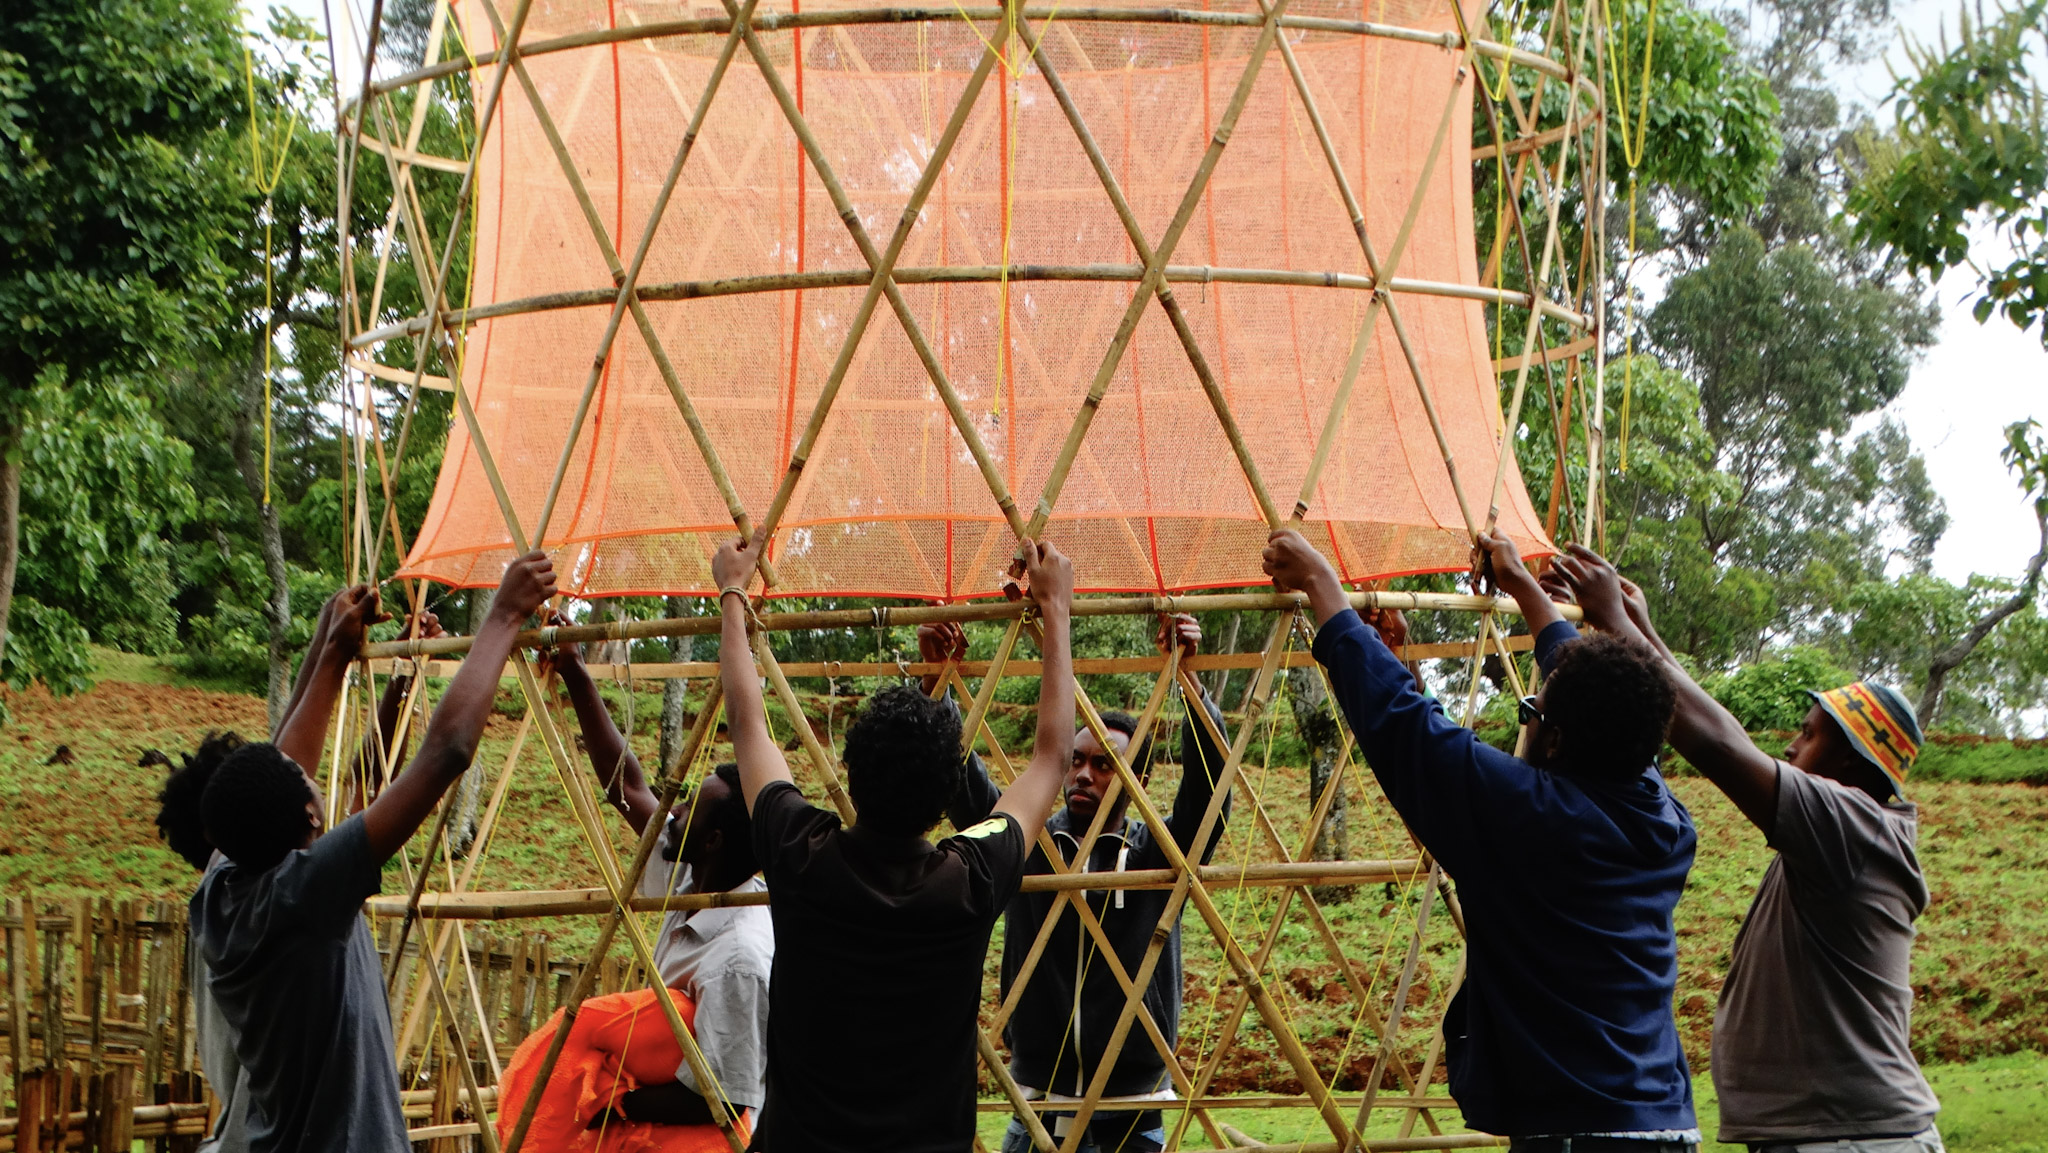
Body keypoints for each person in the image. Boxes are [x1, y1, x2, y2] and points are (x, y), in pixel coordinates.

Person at [1261, 528, 1700, 1151]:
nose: (1531, 721)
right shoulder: (1661, 813)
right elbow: (1591, 689)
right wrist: (1522, 585)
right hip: (1664, 1123)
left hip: (1580, 1131)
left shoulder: (1536, 816)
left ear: (1557, 738)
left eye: (1533, 713)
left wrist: (1320, 584)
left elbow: (1402, 722)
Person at [1544, 545, 1942, 1153]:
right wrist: (1640, 628)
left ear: (1849, 765)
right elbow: (1719, 725)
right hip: (1834, 1136)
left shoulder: (1852, 826)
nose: (1790, 748)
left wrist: (1617, 628)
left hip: (1853, 1140)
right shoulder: (1842, 834)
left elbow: (1722, 746)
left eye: (1808, 735)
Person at [713, 532, 1075, 1153]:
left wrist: (732, 593)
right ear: (944, 803)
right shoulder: (969, 879)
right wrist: (1056, 609)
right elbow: (1051, 759)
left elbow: (748, 726)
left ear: (849, 776)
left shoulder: (802, 852)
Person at [191, 551, 556, 1153]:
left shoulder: (222, 886)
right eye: (312, 786)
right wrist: (503, 616)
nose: (318, 780)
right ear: (312, 818)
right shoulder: (303, 894)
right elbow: (448, 751)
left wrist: (331, 649)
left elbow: (292, 760)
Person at [930, 613, 1229, 1153]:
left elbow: (1210, 793)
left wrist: (1190, 687)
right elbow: (969, 791)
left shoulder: (1156, 853)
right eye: (1075, 762)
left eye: (1105, 764)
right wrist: (938, 690)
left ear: (1139, 779)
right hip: (1040, 1095)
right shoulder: (1032, 846)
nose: (1084, 775)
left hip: (1132, 1104)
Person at [155, 588, 438, 1153]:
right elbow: (361, 792)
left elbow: (325, 777)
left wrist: (347, 654)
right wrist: (332, 649)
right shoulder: (292, 905)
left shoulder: (222, 900)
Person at [541, 613, 773, 1128]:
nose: (674, 810)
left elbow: (726, 1099)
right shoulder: (693, 879)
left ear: (711, 841)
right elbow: (627, 787)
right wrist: (576, 672)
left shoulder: (738, 957)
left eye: (690, 805)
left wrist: (609, 1106)